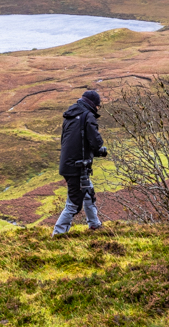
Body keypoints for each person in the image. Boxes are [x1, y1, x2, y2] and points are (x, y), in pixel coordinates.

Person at [53, 90, 106, 234]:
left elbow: (72, 141)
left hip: (69, 164)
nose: (97, 109)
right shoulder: (87, 116)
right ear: (93, 104)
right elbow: (96, 142)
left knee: (88, 192)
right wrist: (99, 149)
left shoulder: (70, 115)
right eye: (97, 106)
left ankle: (94, 224)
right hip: (78, 166)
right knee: (74, 203)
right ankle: (58, 234)